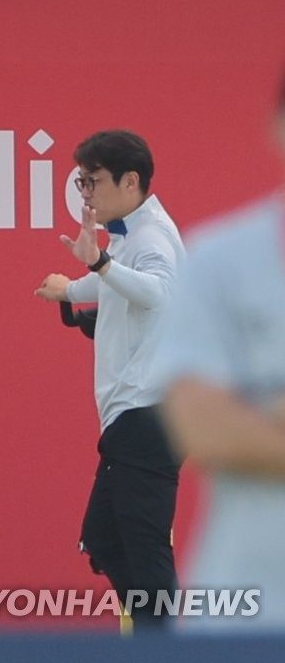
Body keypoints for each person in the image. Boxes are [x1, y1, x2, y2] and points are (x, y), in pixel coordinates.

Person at [34, 130, 185, 628]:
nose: (86, 194)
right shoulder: (130, 237)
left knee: (142, 546)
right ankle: (154, 631)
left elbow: (158, 292)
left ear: (130, 180)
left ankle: (164, 643)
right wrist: (70, 291)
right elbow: (119, 285)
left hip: (149, 416)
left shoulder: (152, 236)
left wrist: (97, 263)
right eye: (81, 182)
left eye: (92, 181)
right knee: (105, 539)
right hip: (133, 418)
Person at [155, 74, 285, 631]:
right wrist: (240, 425)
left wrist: (266, 416)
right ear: (278, 127)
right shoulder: (219, 260)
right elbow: (207, 430)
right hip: (246, 617)